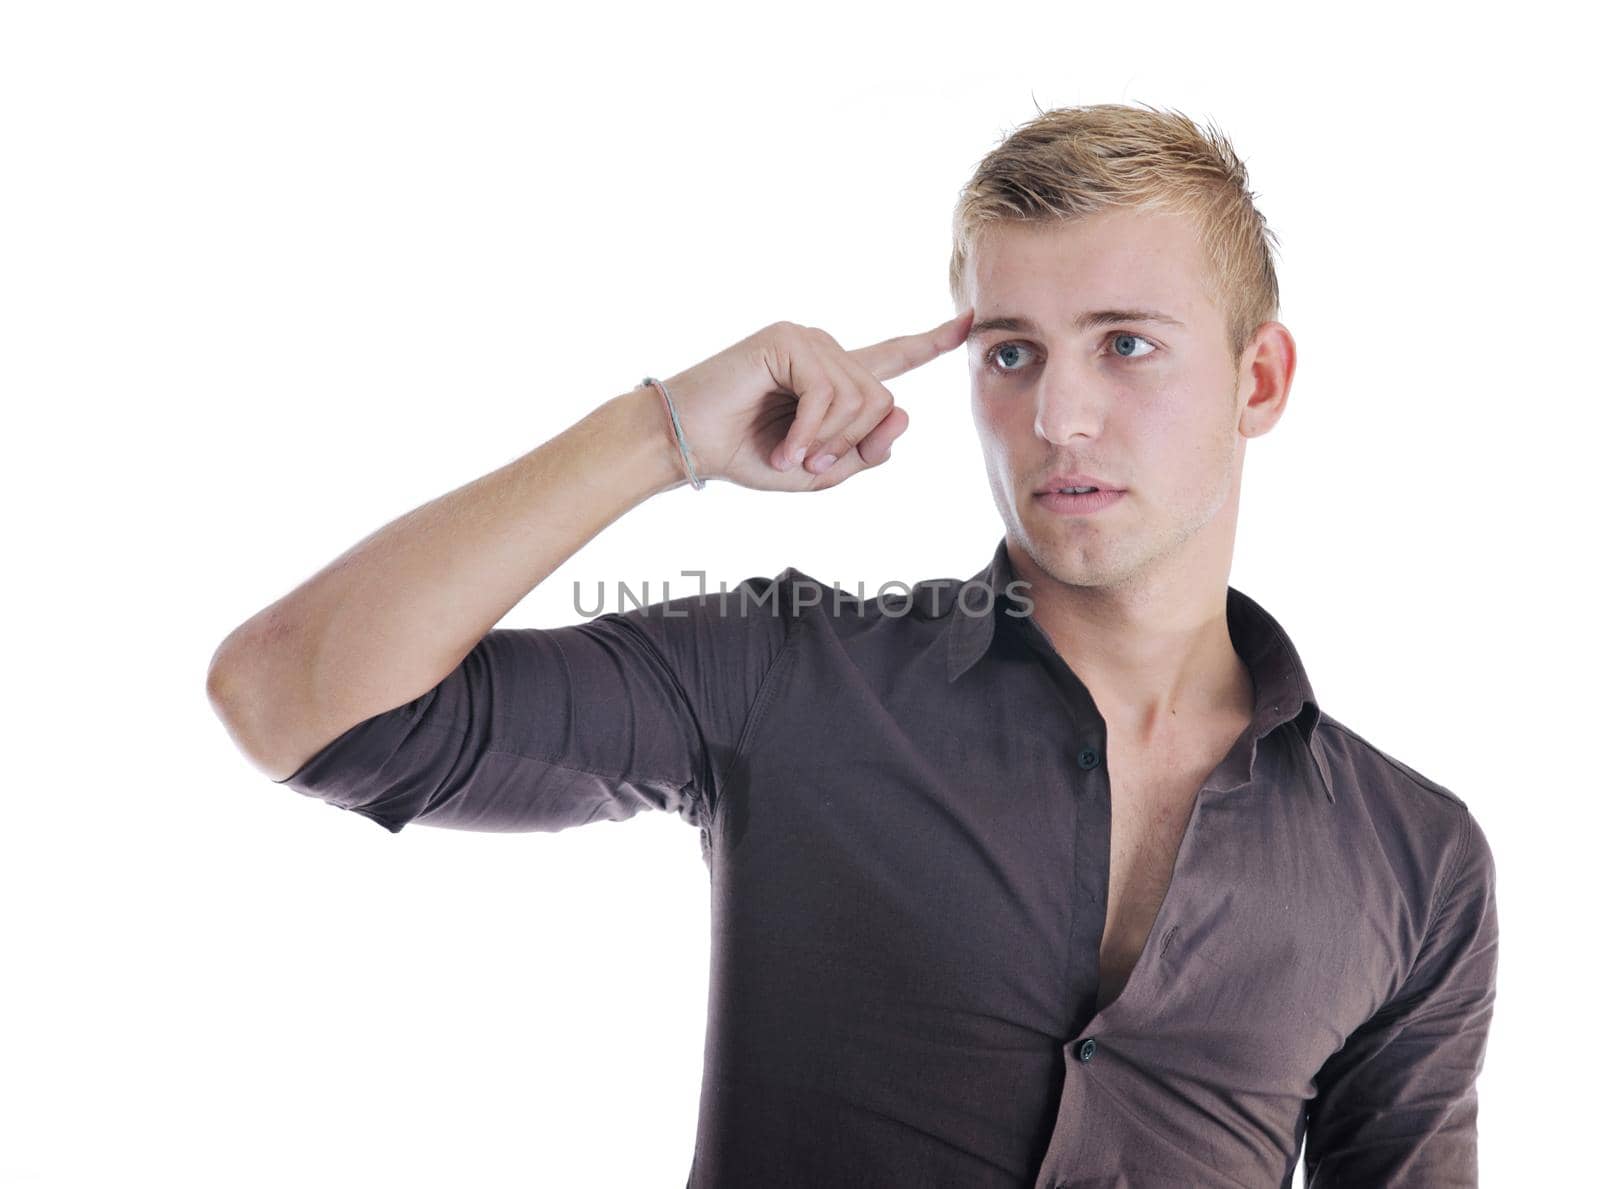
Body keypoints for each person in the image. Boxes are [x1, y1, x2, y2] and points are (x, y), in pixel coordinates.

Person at [206, 102, 1498, 1188]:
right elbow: (290, 696)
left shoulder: (1416, 864)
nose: (1058, 416)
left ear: (1258, 380)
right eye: (1009, 352)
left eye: (1125, 345)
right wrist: (668, 436)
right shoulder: (785, 674)